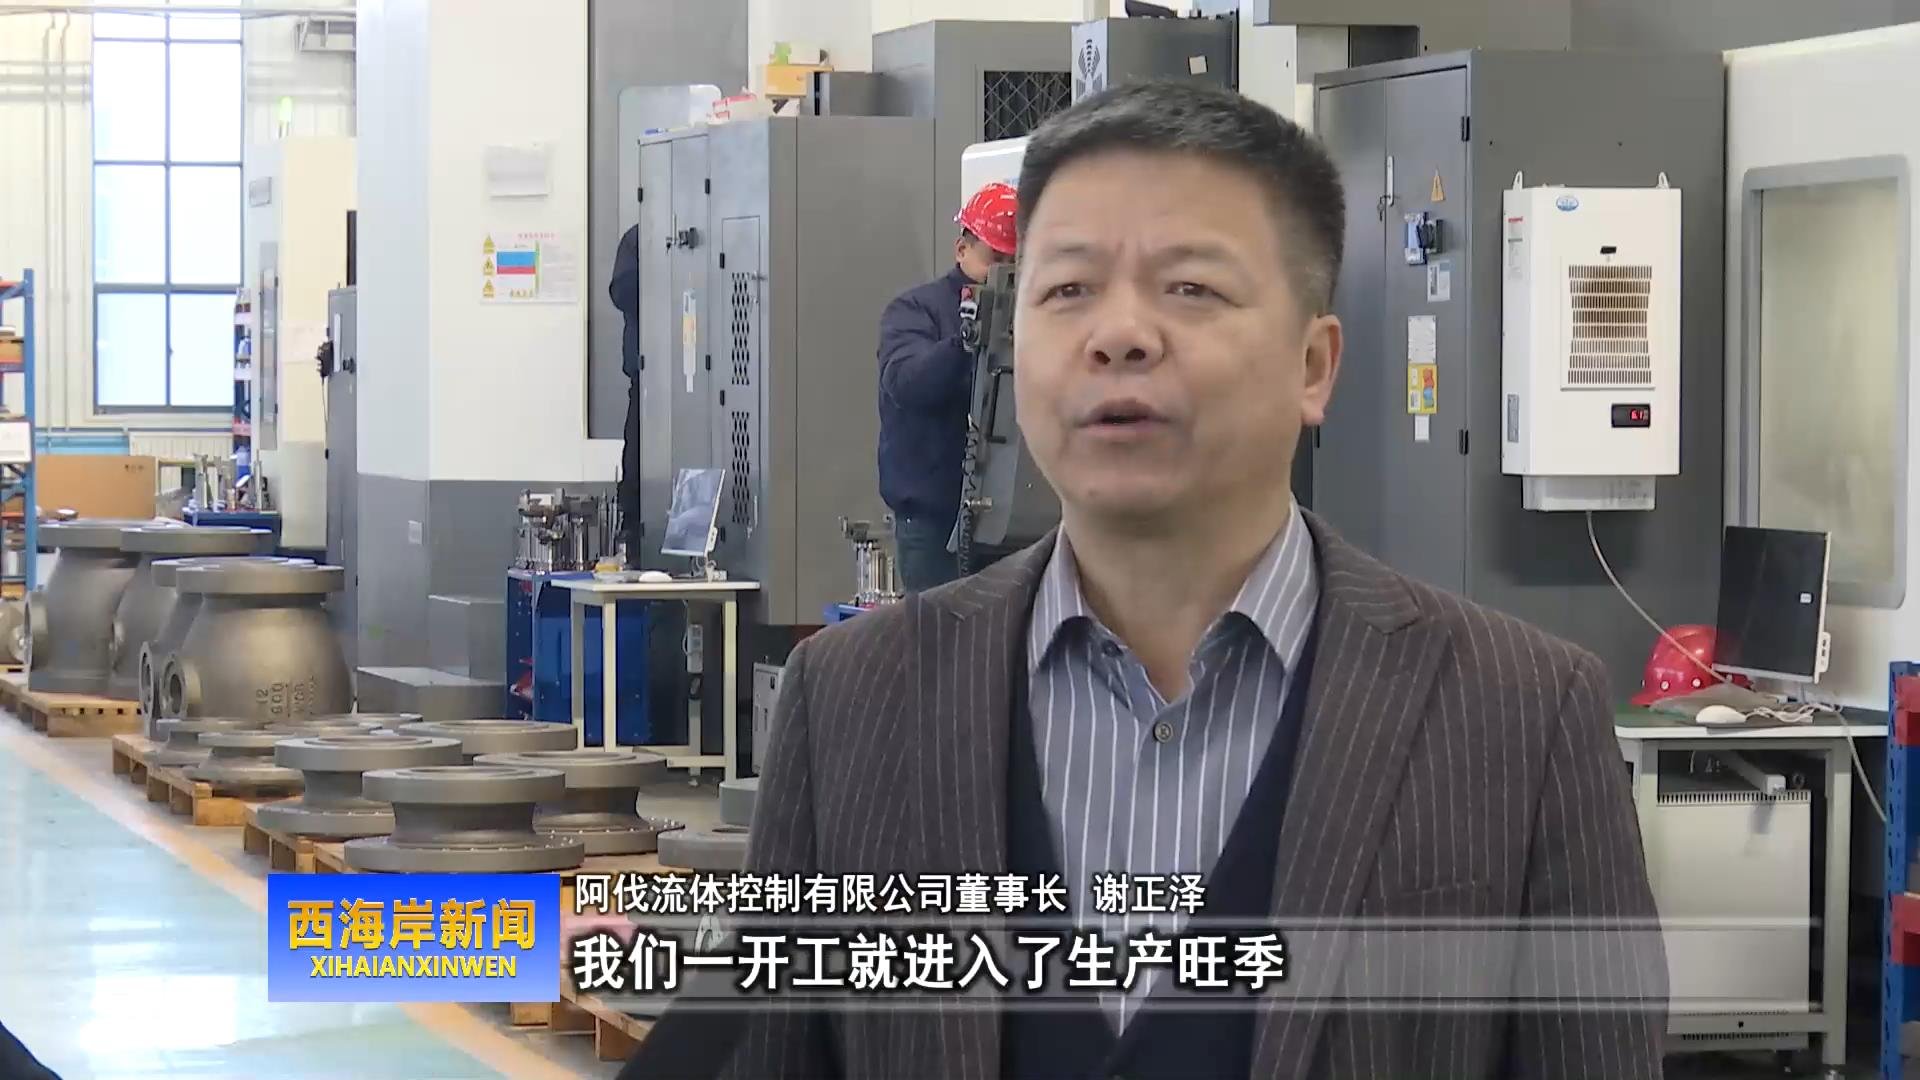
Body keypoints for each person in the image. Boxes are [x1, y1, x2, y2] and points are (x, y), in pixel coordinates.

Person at [628, 82, 1667, 1079]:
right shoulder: (855, 701)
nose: (1118, 333)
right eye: (1068, 290)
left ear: (1314, 366)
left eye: (1191, 288)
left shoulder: (1520, 716)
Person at [876, 181, 1018, 591]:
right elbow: (907, 383)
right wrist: (966, 342)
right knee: (940, 629)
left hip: (1012, 521)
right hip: (933, 524)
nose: (1004, 273)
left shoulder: (1032, 317)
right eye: (996, 259)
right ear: (962, 250)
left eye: (1014, 262)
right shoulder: (916, 310)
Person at [609, 224, 642, 565]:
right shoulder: (637, 239)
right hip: (643, 376)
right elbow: (621, 291)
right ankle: (632, 532)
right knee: (636, 456)